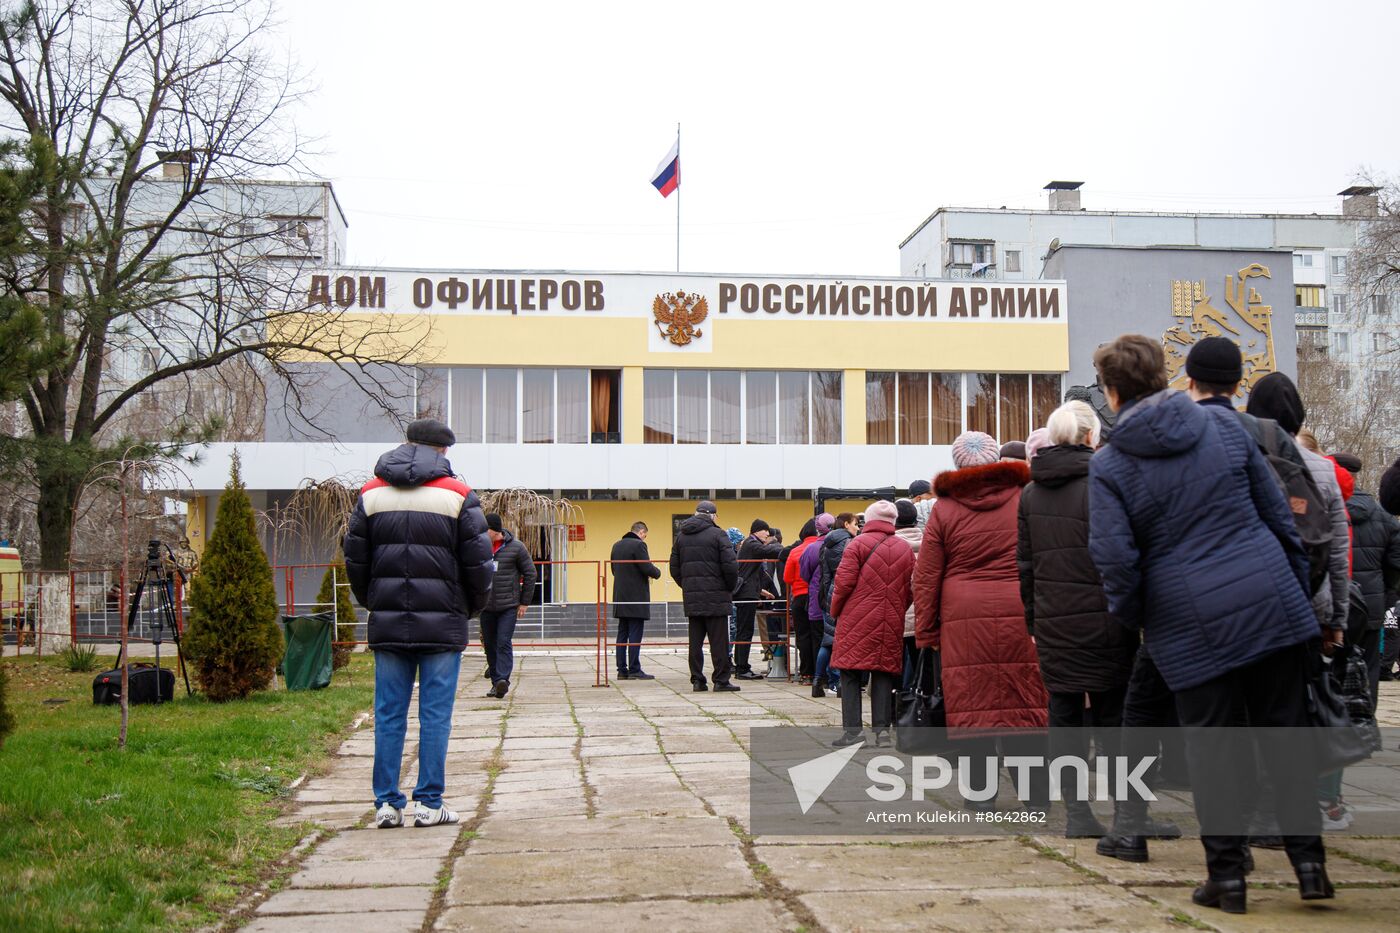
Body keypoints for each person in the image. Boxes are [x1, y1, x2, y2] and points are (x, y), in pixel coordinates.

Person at [1086, 335, 1330, 913]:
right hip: (1272, 601)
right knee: (1286, 736)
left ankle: (1227, 877)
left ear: (1113, 392)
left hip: (1187, 622)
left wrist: (1143, 618)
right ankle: (1310, 864)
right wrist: (1290, 592)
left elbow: (1115, 561)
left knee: (1212, 748)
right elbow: (1280, 518)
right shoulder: (1226, 430)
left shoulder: (1112, 464)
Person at [344, 418, 492, 829]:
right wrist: (470, 608)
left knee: (389, 712)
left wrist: (372, 601)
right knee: (435, 714)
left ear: (407, 444)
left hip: (388, 620)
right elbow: (479, 565)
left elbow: (356, 559)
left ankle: (386, 805)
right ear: (443, 451)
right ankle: (429, 802)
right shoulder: (458, 495)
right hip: (443, 622)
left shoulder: (371, 494)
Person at [1017, 400, 1138, 838]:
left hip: (1053, 622)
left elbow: (1026, 566)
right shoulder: (1108, 482)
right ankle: (1127, 814)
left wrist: (1034, 624)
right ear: (1092, 436)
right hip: (1108, 618)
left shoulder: (1031, 492)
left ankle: (1078, 814)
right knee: (1114, 720)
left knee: (1063, 717)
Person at [913, 430, 1049, 810]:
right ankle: (1036, 795)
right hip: (1020, 610)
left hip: (962, 615)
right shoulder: (1025, 497)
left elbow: (927, 575)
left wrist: (926, 631)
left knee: (971, 703)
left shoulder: (944, 508)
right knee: (1026, 701)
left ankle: (981, 794)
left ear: (958, 463)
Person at [1245, 371, 1350, 641]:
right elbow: (1336, 549)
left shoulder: (1237, 456)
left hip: (1250, 603)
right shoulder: (1325, 470)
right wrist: (1337, 619)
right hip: (1309, 602)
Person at [829, 500, 914, 748]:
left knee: (850, 673)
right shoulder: (904, 548)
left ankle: (853, 733)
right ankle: (882, 732)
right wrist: (898, 608)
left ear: (869, 519)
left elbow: (843, 584)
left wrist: (836, 610)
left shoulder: (857, 544)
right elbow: (912, 589)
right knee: (883, 672)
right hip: (890, 619)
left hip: (856, 617)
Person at [1332, 453, 1400, 705]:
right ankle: (1364, 722)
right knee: (1369, 666)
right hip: (1370, 605)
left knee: (1330, 664)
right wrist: (1385, 593)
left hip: (1332, 601)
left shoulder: (1323, 509)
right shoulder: (1384, 518)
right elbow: (1395, 565)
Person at [670, 500, 740, 692]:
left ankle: (698, 681)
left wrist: (687, 586)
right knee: (719, 642)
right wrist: (729, 588)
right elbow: (730, 566)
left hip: (692, 598)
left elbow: (674, 568)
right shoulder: (719, 534)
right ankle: (721, 680)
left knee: (696, 642)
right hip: (717, 598)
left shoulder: (681, 536)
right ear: (712, 516)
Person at [479, 513, 536, 699]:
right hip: (486, 607)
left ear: (493, 530)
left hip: (508, 606)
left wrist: (524, 602)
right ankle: (496, 683)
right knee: (490, 645)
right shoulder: (480, 548)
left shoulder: (516, 548)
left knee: (502, 642)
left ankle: (503, 679)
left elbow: (530, 573)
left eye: (484, 529)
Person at [812, 512, 860, 697]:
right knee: (843, 641)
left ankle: (817, 682)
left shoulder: (827, 543)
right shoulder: (849, 543)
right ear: (847, 524)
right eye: (856, 524)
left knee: (828, 640)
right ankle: (841, 684)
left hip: (827, 594)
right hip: (843, 595)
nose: (858, 528)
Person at [784, 514, 832, 683]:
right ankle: (822, 672)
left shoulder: (796, 551)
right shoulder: (826, 546)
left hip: (799, 597)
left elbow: (787, 578)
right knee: (819, 635)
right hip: (819, 596)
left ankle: (806, 673)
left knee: (802, 635)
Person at [610, 521, 661, 681]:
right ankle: (634, 669)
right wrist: (657, 572)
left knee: (622, 633)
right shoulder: (639, 546)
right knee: (635, 633)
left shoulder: (616, 546)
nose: (644, 538)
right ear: (641, 532)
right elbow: (646, 567)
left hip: (620, 596)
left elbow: (613, 570)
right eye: (645, 535)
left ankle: (621, 670)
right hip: (636, 597)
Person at [734, 520, 784, 680]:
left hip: (749, 592)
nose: (767, 534)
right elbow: (769, 552)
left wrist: (761, 591)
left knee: (745, 630)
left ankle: (742, 666)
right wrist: (781, 547)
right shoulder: (751, 544)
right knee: (745, 631)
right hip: (746, 594)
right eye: (765, 531)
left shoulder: (751, 545)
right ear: (756, 531)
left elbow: (755, 574)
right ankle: (742, 668)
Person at [893, 499, 924, 691]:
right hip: (923, 617)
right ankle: (921, 712)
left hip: (896, 616)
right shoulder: (930, 541)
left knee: (894, 669)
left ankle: (895, 712)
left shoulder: (888, 545)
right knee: (923, 671)